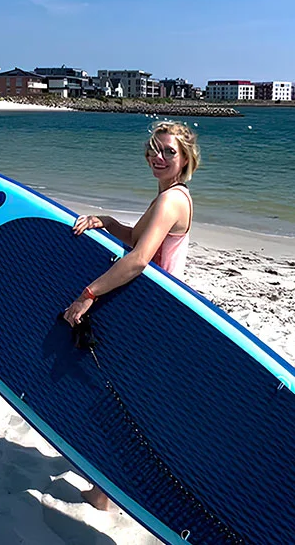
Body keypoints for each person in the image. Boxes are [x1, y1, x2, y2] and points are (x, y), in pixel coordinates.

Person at [62, 119, 201, 510]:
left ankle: (108, 492)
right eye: (155, 149)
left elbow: (139, 260)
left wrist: (88, 294)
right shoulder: (170, 195)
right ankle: (105, 489)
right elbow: (135, 238)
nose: (159, 157)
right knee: (119, 401)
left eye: (169, 151)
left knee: (119, 405)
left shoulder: (172, 200)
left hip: (155, 316)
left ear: (186, 157)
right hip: (149, 312)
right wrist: (104, 222)